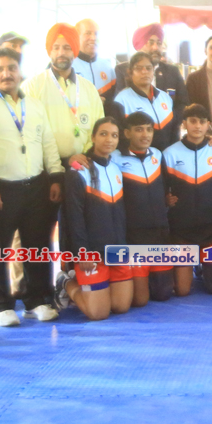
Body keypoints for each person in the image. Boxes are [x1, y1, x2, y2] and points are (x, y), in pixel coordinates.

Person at [0, 48, 65, 326]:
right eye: (0, 69)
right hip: (0, 188)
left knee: (37, 245)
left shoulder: (34, 105)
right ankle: (2, 304)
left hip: (36, 185)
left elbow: (47, 143)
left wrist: (56, 176)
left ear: (20, 72)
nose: (6, 74)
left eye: (12, 68)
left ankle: (36, 300)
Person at [22, 23, 103, 264]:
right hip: (44, 174)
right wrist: (63, 161)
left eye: (67, 47)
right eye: (56, 47)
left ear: (75, 50)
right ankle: (34, 284)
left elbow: (98, 129)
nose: (61, 52)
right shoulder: (33, 86)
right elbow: (30, 135)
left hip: (81, 171)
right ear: (49, 51)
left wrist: (83, 157)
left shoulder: (88, 88)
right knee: (37, 234)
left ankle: (72, 277)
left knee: (76, 230)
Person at [61, 118, 133, 320]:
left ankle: (97, 291)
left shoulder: (116, 169)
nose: (109, 139)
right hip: (92, 251)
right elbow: (73, 216)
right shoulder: (78, 170)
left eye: (114, 135)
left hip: (116, 250)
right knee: (98, 314)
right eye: (103, 134)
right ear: (92, 137)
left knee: (121, 307)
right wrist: (82, 252)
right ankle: (65, 283)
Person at [163, 104, 212, 295]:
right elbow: (161, 190)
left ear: (208, 125)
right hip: (182, 230)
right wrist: (165, 200)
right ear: (184, 124)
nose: (197, 126)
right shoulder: (169, 153)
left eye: (202, 122)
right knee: (182, 291)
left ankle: (203, 266)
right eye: (193, 121)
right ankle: (193, 264)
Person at [111, 111, 176, 303]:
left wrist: (166, 200)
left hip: (160, 234)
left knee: (164, 295)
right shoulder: (114, 158)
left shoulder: (157, 154)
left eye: (149, 129)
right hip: (134, 236)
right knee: (140, 301)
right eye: (139, 130)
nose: (145, 134)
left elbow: (165, 185)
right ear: (127, 133)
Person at [114, 23, 188, 118]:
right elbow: (119, 107)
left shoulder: (172, 71)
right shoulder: (123, 70)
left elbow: (182, 104)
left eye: (159, 43)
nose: (155, 47)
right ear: (140, 46)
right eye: (151, 43)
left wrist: (170, 123)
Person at [110, 51, 178, 151]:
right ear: (130, 72)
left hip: (165, 156)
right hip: (137, 157)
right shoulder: (121, 100)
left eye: (148, 68)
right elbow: (119, 136)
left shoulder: (165, 97)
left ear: (153, 71)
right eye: (139, 68)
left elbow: (174, 131)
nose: (144, 72)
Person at [72, 18, 117, 100]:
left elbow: (115, 97)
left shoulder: (107, 66)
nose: (93, 38)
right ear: (76, 37)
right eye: (88, 33)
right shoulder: (67, 66)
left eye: (96, 34)